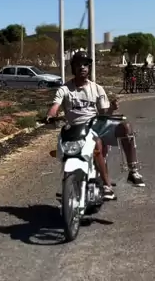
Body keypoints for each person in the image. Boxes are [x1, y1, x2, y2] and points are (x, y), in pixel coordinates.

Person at [45, 52, 145, 198]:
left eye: (85, 64)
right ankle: (106, 185)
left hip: (97, 124)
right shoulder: (65, 89)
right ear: (73, 67)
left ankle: (133, 171)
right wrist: (50, 115)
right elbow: (55, 105)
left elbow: (104, 113)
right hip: (77, 128)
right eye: (78, 64)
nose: (82, 67)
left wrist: (111, 108)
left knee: (126, 127)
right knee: (95, 142)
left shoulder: (97, 88)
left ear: (89, 68)